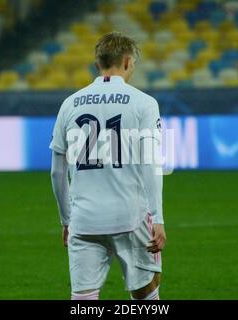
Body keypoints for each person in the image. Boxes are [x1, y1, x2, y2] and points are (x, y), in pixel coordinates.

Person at [50, 31, 166, 300]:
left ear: (97, 64)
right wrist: (157, 217)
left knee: (83, 299)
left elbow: (57, 171)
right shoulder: (144, 103)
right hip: (131, 217)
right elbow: (150, 163)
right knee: (146, 293)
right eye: (133, 64)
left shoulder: (69, 104)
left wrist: (67, 220)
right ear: (127, 62)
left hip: (84, 221)